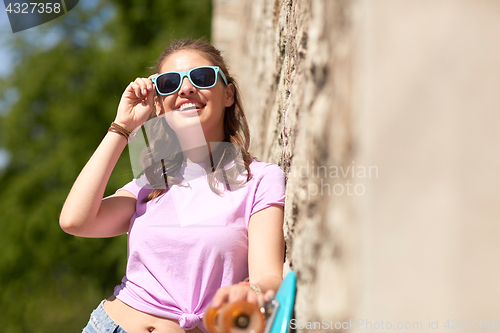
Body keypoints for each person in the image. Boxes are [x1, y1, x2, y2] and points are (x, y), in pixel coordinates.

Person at [59, 38, 286, 333]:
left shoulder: (261, 179)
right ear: (159, 106)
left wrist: (251, 293)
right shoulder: (148, 185)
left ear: (228, 93)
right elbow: (75, 221)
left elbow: (268, 277)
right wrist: (123, 127)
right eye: (169, 83)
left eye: (201, 78)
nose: (186, 89)